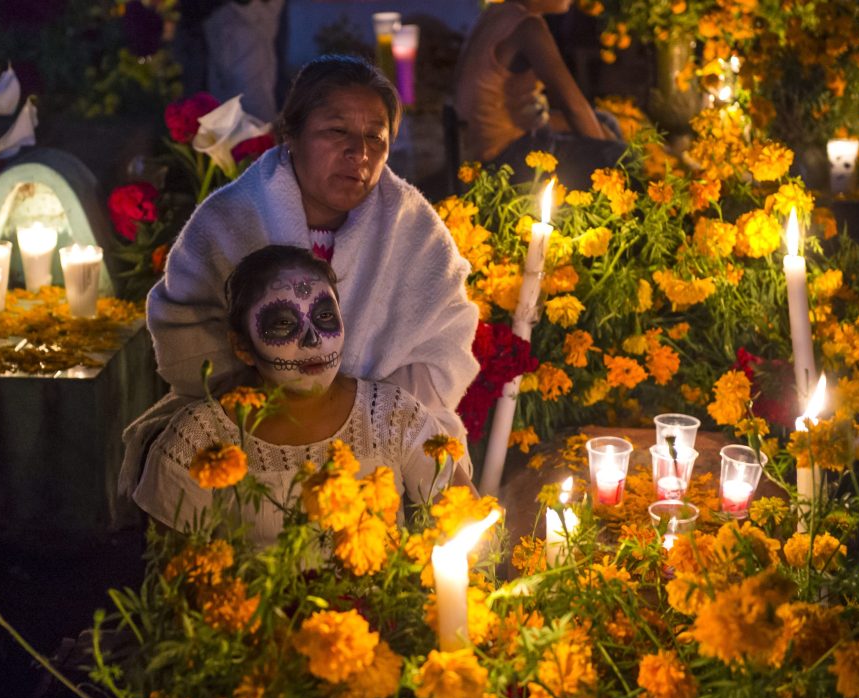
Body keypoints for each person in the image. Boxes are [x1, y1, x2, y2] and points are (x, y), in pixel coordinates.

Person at [120, 55, 479, 496]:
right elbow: (184, 333)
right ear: (291, 134)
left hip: (382, 435)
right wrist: (286, 406)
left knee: (444, 491)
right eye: (336, 131)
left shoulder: (415, 230)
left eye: (375, 137)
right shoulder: (230, 217)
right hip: (250, 425)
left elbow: (444, 350)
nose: (359, 153)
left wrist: (357, 413)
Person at [133, 246, 466, 544]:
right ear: (242, 347)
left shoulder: (393, 417)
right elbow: (173, 585)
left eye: (324, 317)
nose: (313, 341)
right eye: (283, 324)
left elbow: (467, 524)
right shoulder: (199, 441)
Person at [453, 0, 627, 189]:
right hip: (502, 158)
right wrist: (610, 155)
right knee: (620, 158)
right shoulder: (528, 27)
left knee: (605, 122)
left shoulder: (501, 11)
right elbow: (573, 106)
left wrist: (598, 132)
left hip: (491, 139)